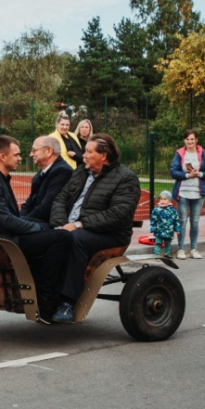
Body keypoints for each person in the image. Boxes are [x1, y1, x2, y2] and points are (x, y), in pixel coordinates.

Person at [44, 134, 141, 323]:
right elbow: (60, 199)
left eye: (88, 151)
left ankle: (67, 302)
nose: (84, 155)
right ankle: (45, 293)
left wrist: (79, 225)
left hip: (109, 234)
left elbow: (118, 214)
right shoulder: (81, 172)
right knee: (41, 234)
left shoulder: (126, 178)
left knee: (76, 240)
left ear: (103, 156)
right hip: (70, 227)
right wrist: (59, 225)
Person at [0, 135, 67, 299]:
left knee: (53, 232)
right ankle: (44, 293)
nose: (21, 158)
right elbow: (6, 220)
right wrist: (37, 228)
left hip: (5, 234)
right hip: (4, 240)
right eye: (16, 155)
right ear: (2, 157)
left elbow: (12, 216)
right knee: (62, 238)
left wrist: (39, 227)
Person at [170, 129, 205, 259]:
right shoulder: (180, 154)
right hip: (183, 193)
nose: (190, 141)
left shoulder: (204, 154)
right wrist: (187, 175)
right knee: (182, 222)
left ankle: (194, 249)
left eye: (192, 139)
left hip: (198, 193)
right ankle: (181, 249)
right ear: (184, 141)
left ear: (196, 140)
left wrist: (199, 174)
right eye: (187, 139)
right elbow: (173, 171)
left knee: (195, 222)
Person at [21, 135, 72, 224]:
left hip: (48, 224)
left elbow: (47, 208)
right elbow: (29, 204)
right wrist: (18, 219)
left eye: (34, 150)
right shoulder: (41, 173)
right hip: (34, 220)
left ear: (48, 151)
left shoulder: (62, 172)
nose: (31, 154)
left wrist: (21, 223)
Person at [149, 190, 180, 257]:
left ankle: (167, 253)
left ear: (169, 200)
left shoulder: (173, 210)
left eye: (165, 199)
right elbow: (153, 219)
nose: (162, 201)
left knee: (168, 243)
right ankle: (157, 254)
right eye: (161, 199)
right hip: (159, 230)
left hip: (169, 231)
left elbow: (176, 220)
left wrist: (177, 229)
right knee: (158, 242)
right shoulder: (157, 209)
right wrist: (153, 227)